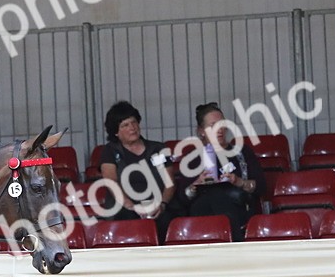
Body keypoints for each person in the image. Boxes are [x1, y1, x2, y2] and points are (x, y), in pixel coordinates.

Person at [98, 100, 181, 242]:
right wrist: (131, 206)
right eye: (125, 125)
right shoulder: (110, 151)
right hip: (126, 209)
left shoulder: (157, 149)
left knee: (168, 219)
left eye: (134, 122)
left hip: (158, 206)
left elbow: (169, 182)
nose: (132, 128)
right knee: (128, 219)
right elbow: (111, 181)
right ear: (116, 132)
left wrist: (162, 204)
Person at [184, 102, 266, 241]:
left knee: (217, 194)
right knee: (214, 194)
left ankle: (229, 237)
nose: (219, 129)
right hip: (204, 212)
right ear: (201, 131)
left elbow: (261, 187)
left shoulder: (242, 152)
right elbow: (183, 197)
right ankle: (234, 241)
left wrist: (238, 182)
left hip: (238, 206)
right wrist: (196, 183)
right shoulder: (193, 158)